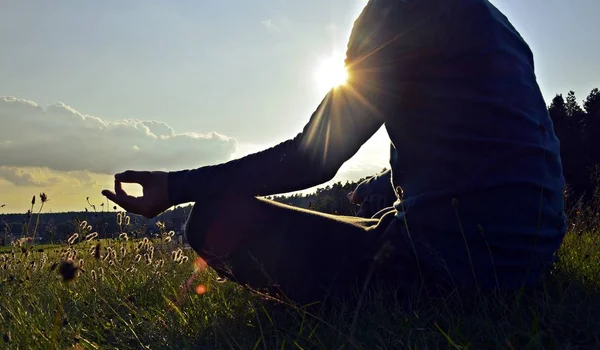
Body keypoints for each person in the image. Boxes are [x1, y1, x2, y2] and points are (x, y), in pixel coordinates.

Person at [103, 0, 567, 305]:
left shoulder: (394, 14)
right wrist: (377, 186)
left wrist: (176, 186)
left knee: (210, 219)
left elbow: (314, 158)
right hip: (533, 257)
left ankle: (372, 296)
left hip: (450, 270)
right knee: (373, 209)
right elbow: (482, 150)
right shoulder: (497, 25)